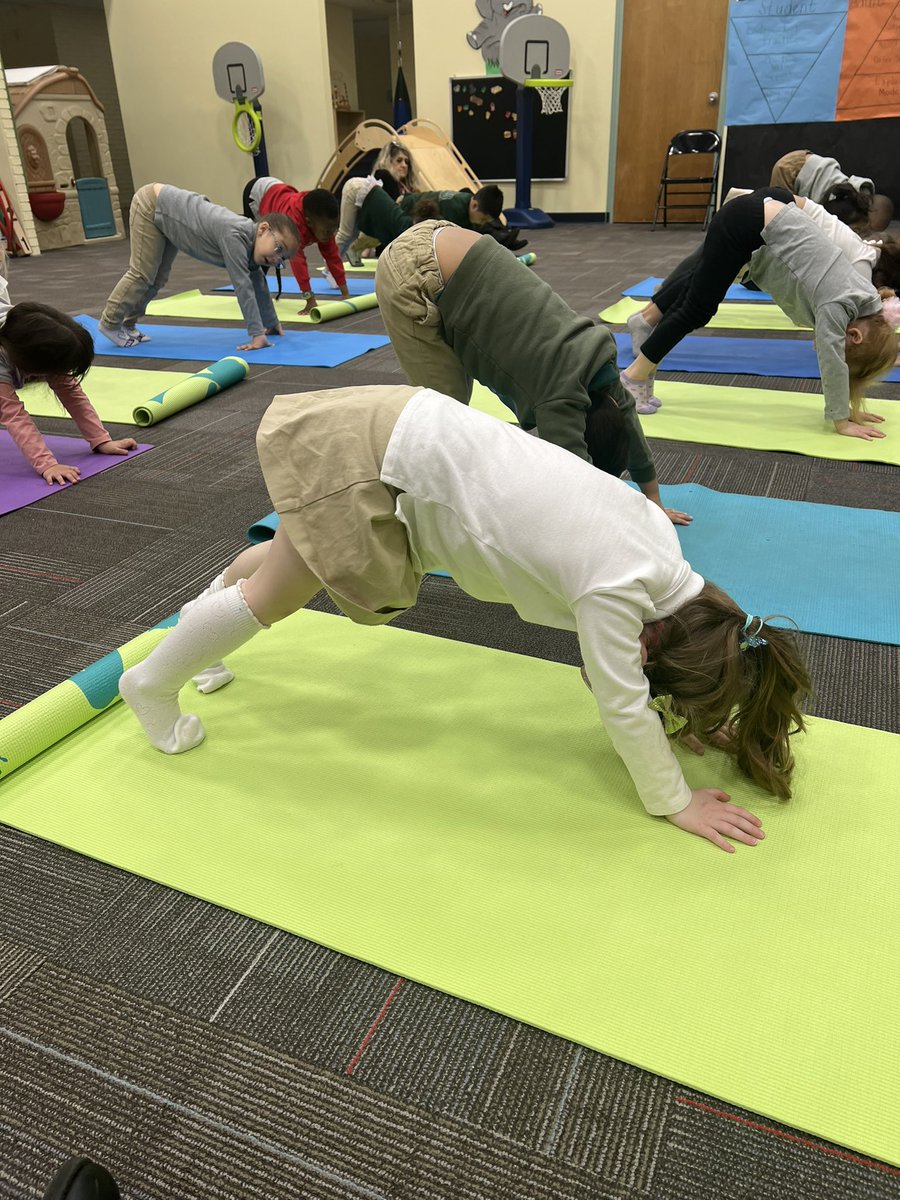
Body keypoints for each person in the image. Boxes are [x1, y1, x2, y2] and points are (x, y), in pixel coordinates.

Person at [119, 384, 812, 854]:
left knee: (283, 558)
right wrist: (674, 801)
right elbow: (620, 703)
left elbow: (639, 673)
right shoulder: (617, 595)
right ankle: (151, 682)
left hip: (407, 433)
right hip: (380, 459)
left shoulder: (663, 552)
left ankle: (197, 621)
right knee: (282, 591)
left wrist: (687, 706)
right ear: (655, 641)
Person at [375, 219, 692, 525]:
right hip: (412, 273)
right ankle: (404, 502)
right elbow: (576, 481)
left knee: (456, 394)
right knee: (442, 412)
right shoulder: (559, 400)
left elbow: (628, 420)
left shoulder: (600, 360)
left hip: (447, 236)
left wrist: (653, 501)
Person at [621, 187, 899, 441]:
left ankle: (643, 368)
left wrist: (854, 407)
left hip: (756, 221)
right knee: (696, 308)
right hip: (747, 223)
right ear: (855, 335)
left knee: (694, 297)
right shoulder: (842, 302)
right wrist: (841, 420)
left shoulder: (866, 300)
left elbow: (837, 354)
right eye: (846, 349)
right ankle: (634, 375)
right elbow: (832, 360)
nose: (836, 347)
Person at [99, 184, 300, 352]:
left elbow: (258, 282)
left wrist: (271, 322)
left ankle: (128, 323)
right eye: (278, 248)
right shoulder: (235, 235)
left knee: (158, 278)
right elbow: (243, 286)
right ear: (263, 229)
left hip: (169, 217)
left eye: (282, 258)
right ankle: (110, 323)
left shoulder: (253, 244)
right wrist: (257, 334)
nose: (276, 259)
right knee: (143, 273)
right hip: (151, 204)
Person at [0, 298, 136, 484]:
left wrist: (101, 439)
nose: (64, 374)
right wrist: (47, 464)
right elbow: (13, 414)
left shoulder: (30, 335)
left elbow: (71, 392)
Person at [243, 178, 350, 317]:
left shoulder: (323, 226)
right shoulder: (294, 225)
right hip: (257, 193)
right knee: (262, 252)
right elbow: (298, 262)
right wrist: (309, 299)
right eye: (327, 231)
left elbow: (333, 257)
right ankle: (251, 290)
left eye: (333, 230)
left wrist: (346, 294)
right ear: (308, 222)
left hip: (278, 189)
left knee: (268, 253)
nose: (330, 235)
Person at [768, 150, 893, 232]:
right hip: (790, 170)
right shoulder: (843, 207)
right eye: (870, 227)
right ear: (869, 212)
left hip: (810, 161)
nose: (868, 230)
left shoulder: (859, 192)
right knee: (781, 219)